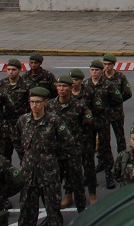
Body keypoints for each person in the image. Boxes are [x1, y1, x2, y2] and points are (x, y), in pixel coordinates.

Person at [15, 87, 77, 226]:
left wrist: (53, 159)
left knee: (53, 211)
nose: (34, 105)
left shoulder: (54, 121)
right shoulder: (23, 120)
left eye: (38, 102)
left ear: (45, 102)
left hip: (49, 173)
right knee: (26, 212)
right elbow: (17, 142)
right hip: (28, 173)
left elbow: (68, 143)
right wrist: (26, 158)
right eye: (32, 102)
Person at [48, 75, 93, 211]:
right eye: (59, 86)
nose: (61, 89)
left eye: (64, 86)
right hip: (56, 150)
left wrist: (80, 145)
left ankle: (81, 211)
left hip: (73, 150)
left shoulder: (79, 106)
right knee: (55, 183)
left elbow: (87, 125)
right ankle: (53, 214)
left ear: (71, 88)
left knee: (77, 182)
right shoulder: (50, 105)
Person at [84, 59, 122, 190]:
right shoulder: (85, 84)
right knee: (88, 149)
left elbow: (117, 100)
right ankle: (89, 176)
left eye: (97, 70)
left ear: (101, 71)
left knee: (105, 148)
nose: (94, 72)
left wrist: (107, 112)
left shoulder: (108, 84)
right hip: (89, 122)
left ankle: (108, 175)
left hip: (103, 121)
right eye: (92, 70)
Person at [69, 67, 98, 204]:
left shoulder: (88, 93)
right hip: (69, 139)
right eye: (72, 80)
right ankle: (68, 194)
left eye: (76, 79)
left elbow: (97, 112)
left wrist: (96, 134)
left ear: (81, 81)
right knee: (70, 168)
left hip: (85, 136)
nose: (73, 82)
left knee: (89, 166)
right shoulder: (65, 96)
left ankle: (92, 193)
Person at [0, 58, 32, 161]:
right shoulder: (2, 84)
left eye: (13, 69)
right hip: (5, 126)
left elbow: (31, 104)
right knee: (4, 156)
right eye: (9, 69)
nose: (10, 72)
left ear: (19, 70)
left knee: (24, 155)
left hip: (21, 124)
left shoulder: (26, 85)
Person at [101, 53, 132, 156]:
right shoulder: (100, 76)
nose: (106, 67)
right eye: (105, 64)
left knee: (120, 137)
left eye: (109, 64)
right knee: (104, 139)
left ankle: (122, 159)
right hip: (103, 113)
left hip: (116, 112)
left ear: (113, 65)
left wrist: (117, 101)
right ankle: (105, 161)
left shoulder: (120, 77)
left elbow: (128, 93)